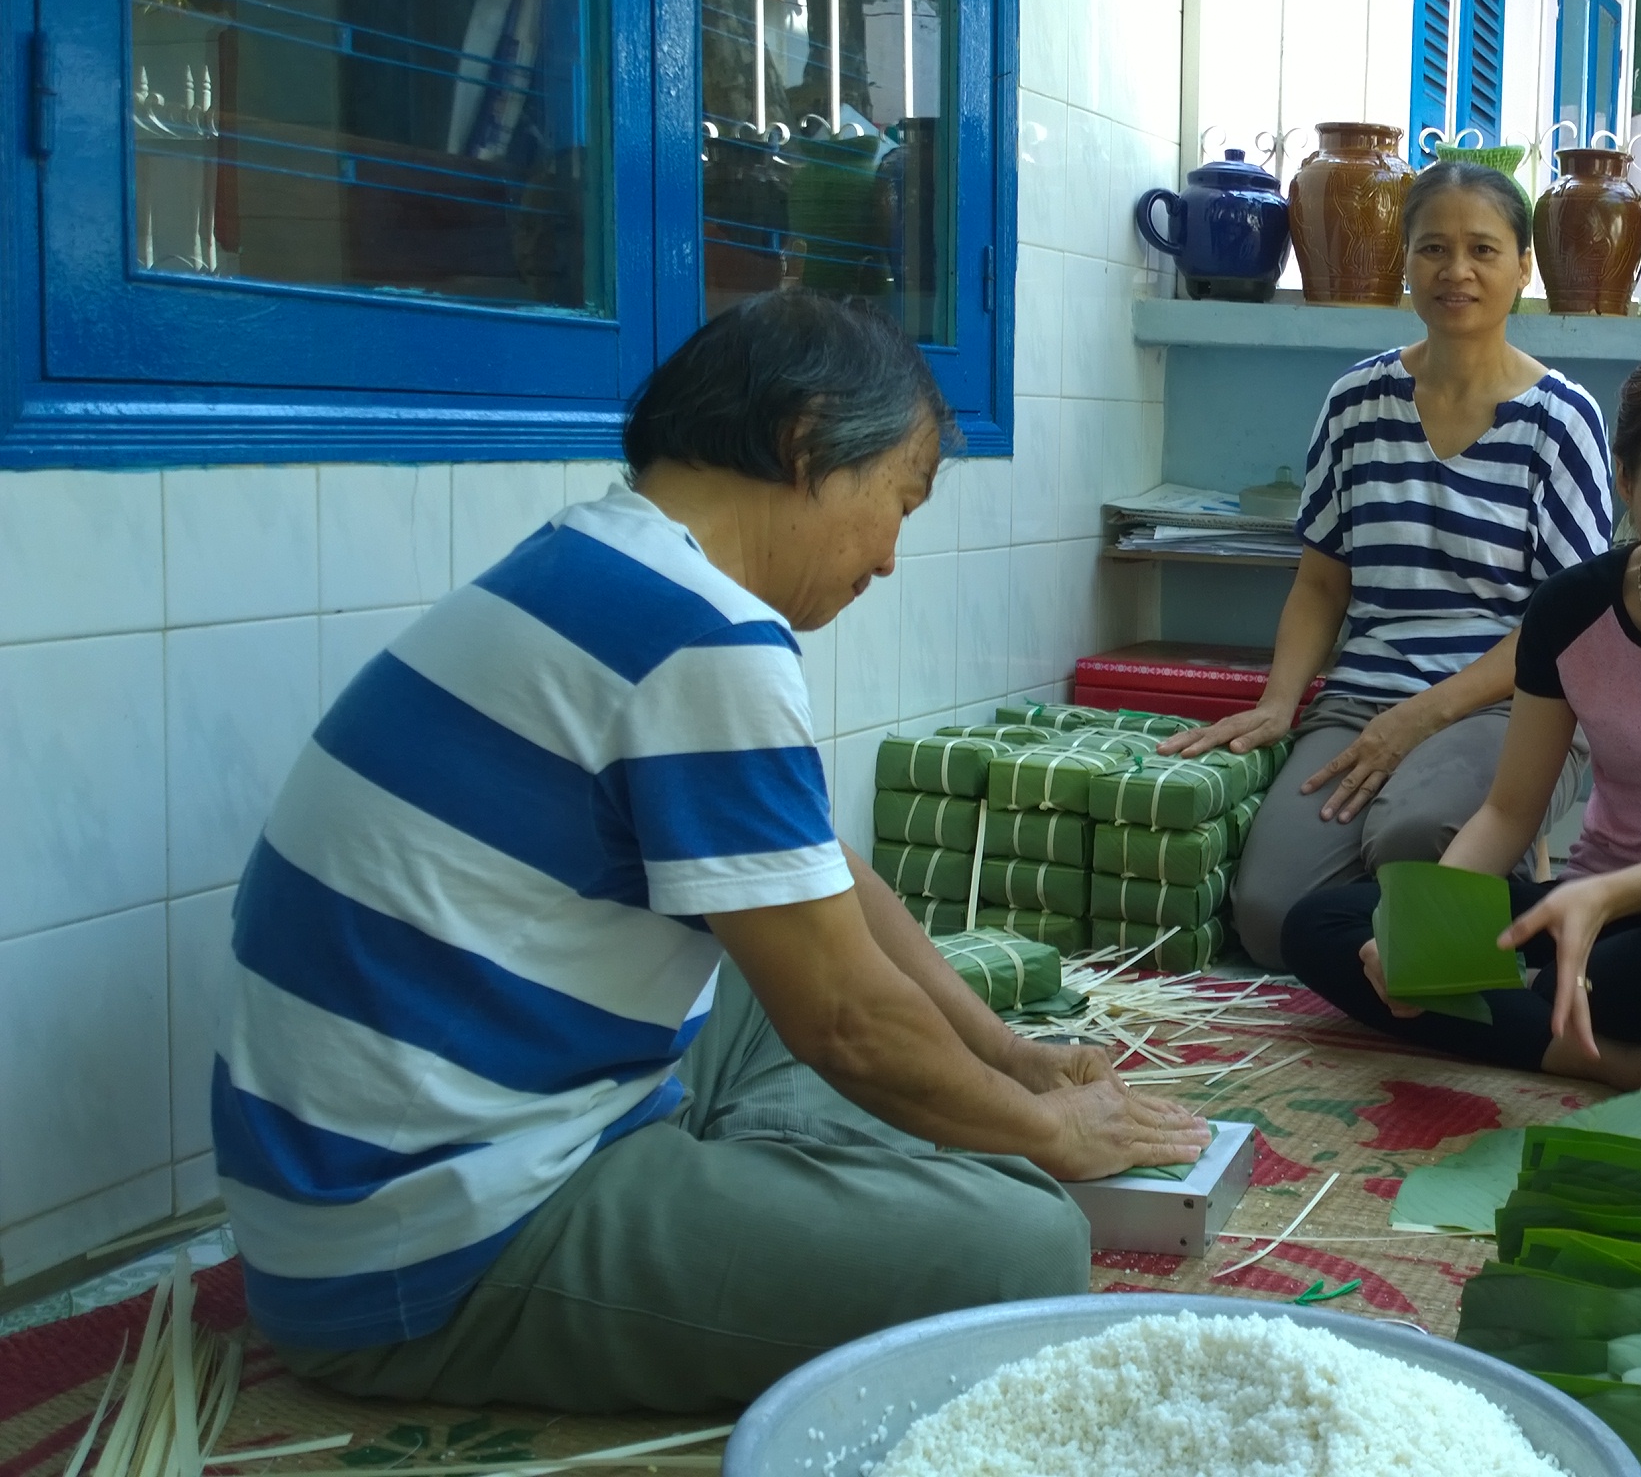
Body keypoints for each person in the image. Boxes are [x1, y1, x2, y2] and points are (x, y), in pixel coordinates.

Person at [215, 294, 1211, 1414]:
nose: (888, 558)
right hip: (425, 1251)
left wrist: (1009, 1057)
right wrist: (1047, 1132)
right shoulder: (703, 635)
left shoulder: (604, 562)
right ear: (808, 440)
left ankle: (806, 1170)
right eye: (900, 501)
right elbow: (840, 1018)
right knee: (1021, 1247)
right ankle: (824, 1184)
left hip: (408, 1156)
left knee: (784, 952)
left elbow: (826, 889)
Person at [1283, 339, 1641, 1087]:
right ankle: (1615, 1057)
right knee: (1324, 926)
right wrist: (1421, 929)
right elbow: (1511, 811)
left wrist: (1597, 899)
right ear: (1625, 482)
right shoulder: (1572, 608)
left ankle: (1547, 1009)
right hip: (1596, 899)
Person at [1164, 161, 1615, 966]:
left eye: (1483, 249)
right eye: (1434, 248)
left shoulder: (1561, 420)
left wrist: (1424, 716)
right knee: (1269, 917)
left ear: (1523, 267)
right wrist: (1280, 700)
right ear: (1406, 262)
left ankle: (1469, 906)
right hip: (1360, 701)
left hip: (1506, 708)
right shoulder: (1356, 402)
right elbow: (1320, 581)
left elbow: (1564, 629)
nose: (1457, 271)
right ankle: (1441, 926)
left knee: (1413, 837)